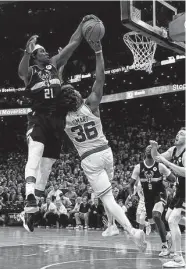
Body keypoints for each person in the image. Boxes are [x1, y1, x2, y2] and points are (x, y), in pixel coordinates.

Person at [57, 39, 147, 252]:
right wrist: (98, 51)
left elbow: (59, 91)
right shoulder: (91, 104)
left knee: (107, 198)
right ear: (77, 95)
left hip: (90, 158)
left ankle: (132, 231)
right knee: (109, 195)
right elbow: (100, 77)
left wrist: (59, 67)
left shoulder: (62, 118)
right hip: (107, 152)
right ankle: (112, 226)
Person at [18, 15, 97, 232]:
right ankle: (30, 197)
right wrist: (27, 51)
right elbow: (21, 72)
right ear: (35, 56)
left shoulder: (54, 65)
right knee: (35, 153)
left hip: (56, 120)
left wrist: (81, 26)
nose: (46, 53)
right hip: (38, 118)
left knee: (47, 165)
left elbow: (72, 44)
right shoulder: (32, 70)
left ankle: (30, 212)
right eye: (41, 51)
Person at [129, 145, 176, 257]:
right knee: (153, 224)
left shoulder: (160, 166)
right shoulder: (138, 167)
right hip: (147, 198)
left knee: (156, 215)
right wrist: (132, 195)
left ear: (155, 152)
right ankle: (167, 235)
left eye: (152, 148)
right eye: (147, 148)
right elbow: (130, 185)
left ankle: (164, 246)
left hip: (160, 195)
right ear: (144, 152)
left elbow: (173, 178)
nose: (149, 149)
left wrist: (166, 179)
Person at [150, 128, 186, 268]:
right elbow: (157, 157)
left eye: (181, 134)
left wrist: (168, 163)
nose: (178, 135)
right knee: (168, 217)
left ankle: (179, 258)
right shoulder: (173, 150)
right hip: (180, 191)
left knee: (172, 220)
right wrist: (154, 148)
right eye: (177, 133)